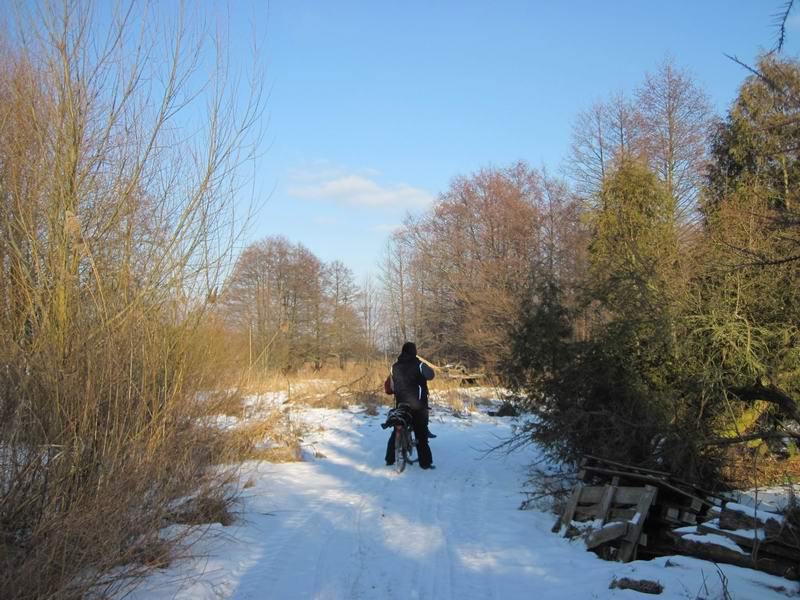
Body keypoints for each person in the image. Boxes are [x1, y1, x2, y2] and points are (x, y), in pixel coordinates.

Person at [384, 342, 435, 469]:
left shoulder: (394, 367)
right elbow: (431, 375)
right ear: (414, 351)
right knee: (421, 434)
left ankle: (389, 459)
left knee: (397, 428)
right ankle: (425, 463)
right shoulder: (420, 365)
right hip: (418, 405)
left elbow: (390, 387)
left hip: (401, 404)